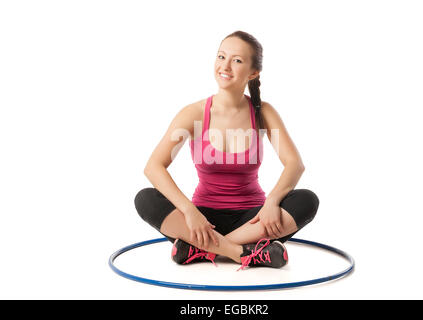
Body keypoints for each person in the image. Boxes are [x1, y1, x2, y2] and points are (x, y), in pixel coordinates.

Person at [134, 31, 319, 271]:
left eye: (237, 60)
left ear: (253, 73)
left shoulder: (263, 112)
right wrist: (190, 212)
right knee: (145, 199)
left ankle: (199, 249)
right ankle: (244, 252)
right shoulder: (194, 113)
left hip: (252, 219)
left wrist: (272, 202)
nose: (225, 66)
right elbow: (154, 167)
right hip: (202, 220)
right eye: (221, 56)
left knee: (306, 200)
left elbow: (295, 164)